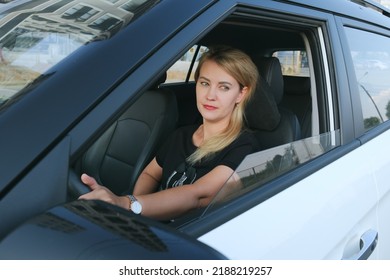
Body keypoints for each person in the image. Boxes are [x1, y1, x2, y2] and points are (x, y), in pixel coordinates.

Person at [79, 45, 260, 220]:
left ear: (241, 94)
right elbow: (149, 174)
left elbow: (198, 196)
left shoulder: (245, 146)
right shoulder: (181, 135)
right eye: (205, 83)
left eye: (224, 87)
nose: (210, 95)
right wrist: (136, 216)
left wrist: (127, 204)